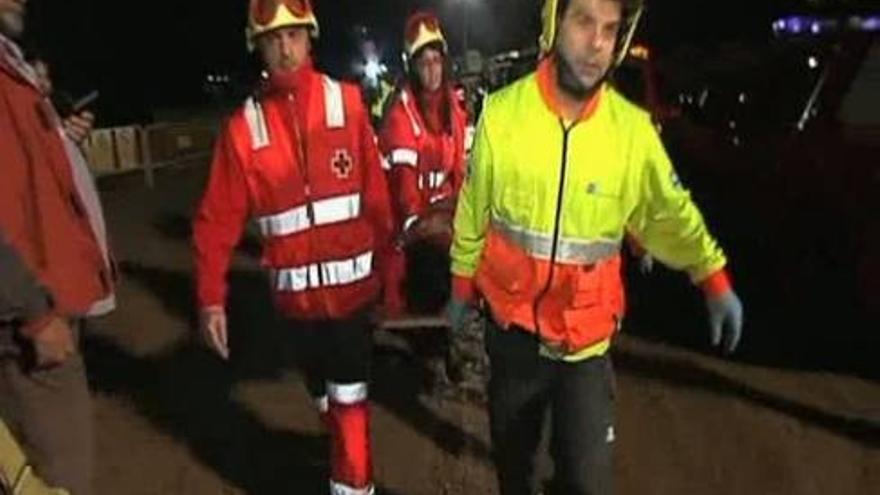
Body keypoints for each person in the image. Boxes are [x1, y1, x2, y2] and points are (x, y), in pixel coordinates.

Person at [447, 0, 745, 493]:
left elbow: (669, 211)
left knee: (587, 483)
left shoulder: (631, 133)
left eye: (610, 29)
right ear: (553, 24)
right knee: (515, 474)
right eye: (584, 21)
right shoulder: (502, 118)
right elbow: (473, 211)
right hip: (514, 336)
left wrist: (711, 275)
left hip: (584, 347)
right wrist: (461, 286)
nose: (598, 42)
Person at [192, 1, 393, 493]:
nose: (285, 48)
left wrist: (392, 274)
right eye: (273, 38)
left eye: (293, 36)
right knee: (327, 400)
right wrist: (210, 297)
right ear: (257, 46)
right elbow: (216, 220)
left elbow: (377, 202)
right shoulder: (243, 130)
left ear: (310, 38)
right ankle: (345, 458)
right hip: (295, 309)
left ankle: (352, 485)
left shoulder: (346, 104)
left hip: (351, 301)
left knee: (348, 401)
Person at [0, 0, 116, 493]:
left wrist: (59, 136)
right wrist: (34, 313)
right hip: (27, 320)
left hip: (39, 303)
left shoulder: (12, 70)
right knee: (59, 479)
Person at [378, 11, 468, 316]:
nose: (432, 70)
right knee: (438, 268)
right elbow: (405, 200)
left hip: (444, 216)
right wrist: (437, 227)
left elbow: (460, 174)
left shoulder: (453, 109)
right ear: (412, 68)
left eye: (436, 60)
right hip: (408, 230)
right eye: (423, 62)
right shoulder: (401, 118)